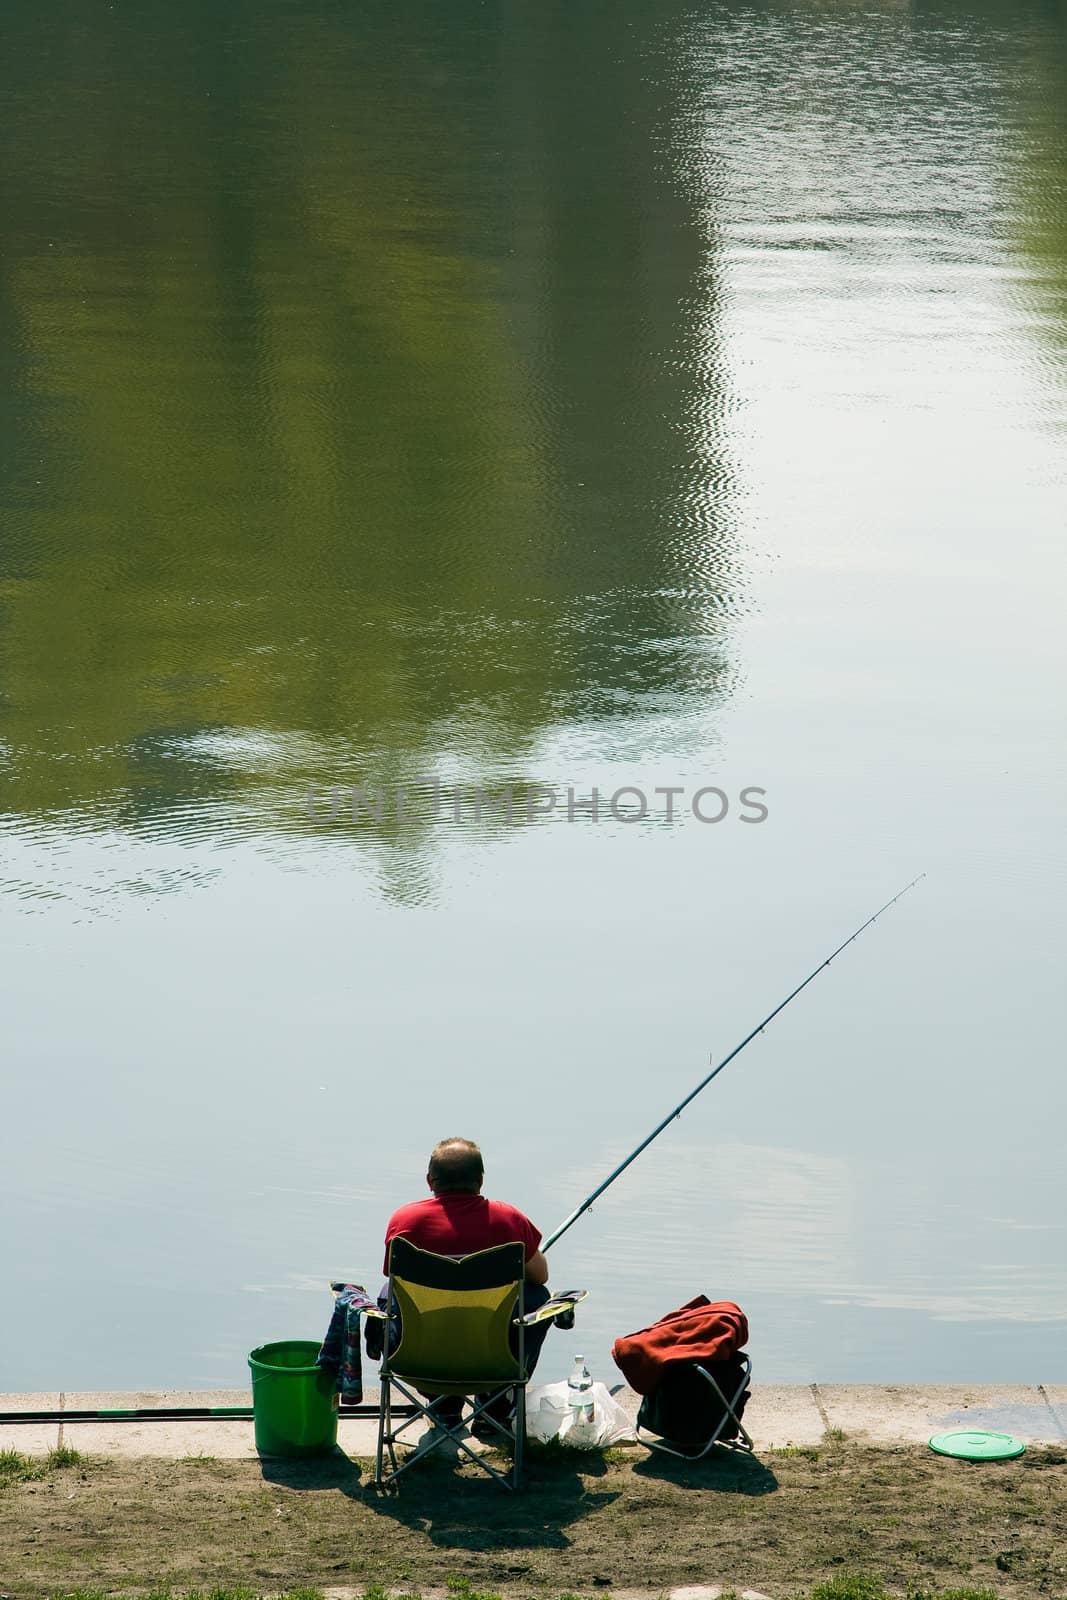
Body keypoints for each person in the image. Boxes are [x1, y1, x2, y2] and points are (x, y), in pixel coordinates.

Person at [381, 1136, 554, 1435]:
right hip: (492, 1361)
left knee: (390, 1294)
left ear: (429, 1181)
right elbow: (540, 1277)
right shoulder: (508, 1219)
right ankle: (495, 1406)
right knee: (538, 1298)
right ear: (481, 1180)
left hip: (420, 1362)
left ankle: (443, 1406)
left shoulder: (405, 1221)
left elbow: (392, 1280)